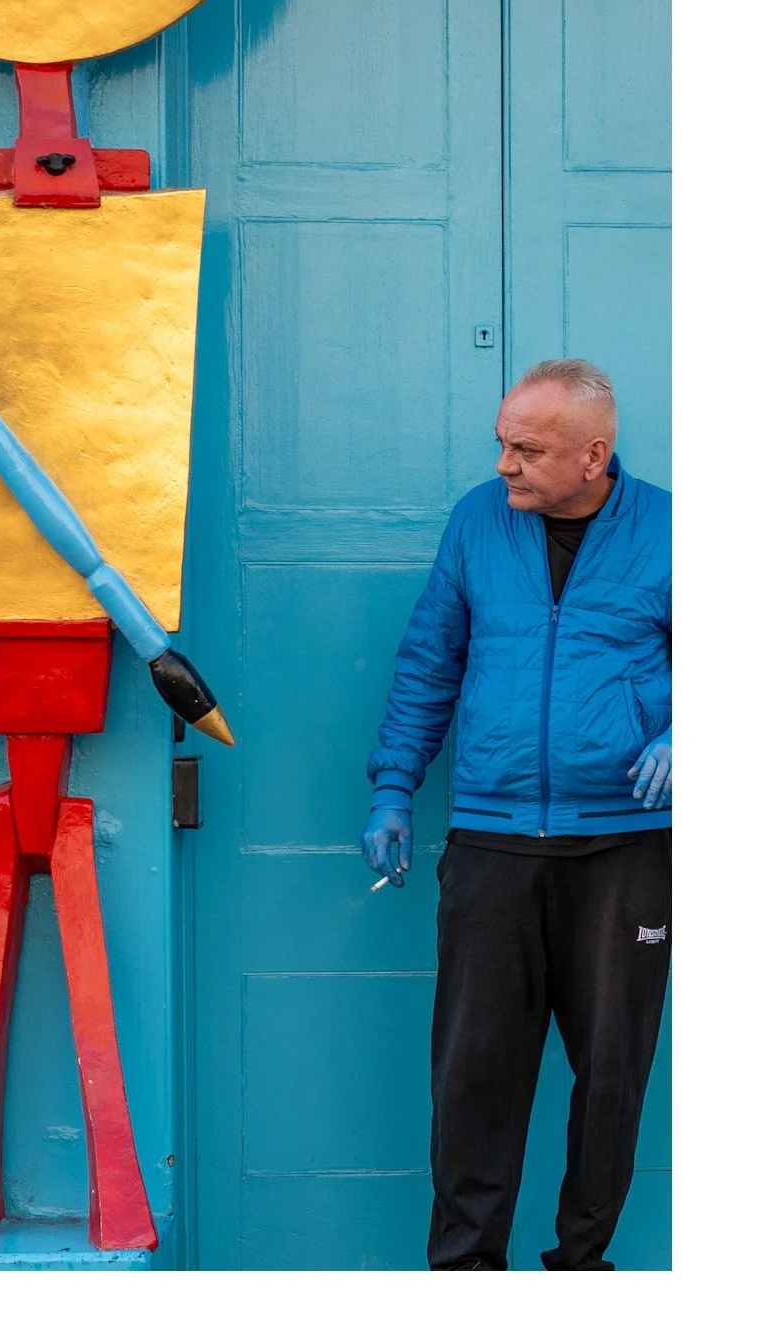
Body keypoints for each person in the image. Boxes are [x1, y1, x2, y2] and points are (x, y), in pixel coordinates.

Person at [361, 358, 670, 1270]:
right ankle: (466, 1274)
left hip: (624, 843)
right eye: (502, 443)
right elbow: (429, 661)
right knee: (474, 1074)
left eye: (527, 449)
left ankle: (581, 1267)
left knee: (611, 1072)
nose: (504, 465)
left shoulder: (675, 530)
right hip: (492, 840)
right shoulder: (477, 522)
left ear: (593, 456)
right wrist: (393, 786)